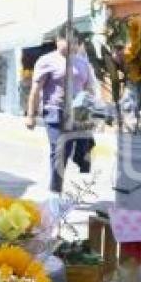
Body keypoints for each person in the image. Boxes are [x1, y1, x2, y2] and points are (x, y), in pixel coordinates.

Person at [26, 28, 99, 194]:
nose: (72, 46)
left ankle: (78, 163)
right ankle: (55, 192)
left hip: (78, 114)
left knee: (84, 147)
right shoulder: (46, 61)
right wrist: (31, 115)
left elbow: (89, 89)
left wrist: (92, 113)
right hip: (54, 112)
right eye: (68, 41)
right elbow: (35, 90)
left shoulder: (82, 63)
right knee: (59, 152)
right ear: (58, 41)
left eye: (75, 42)